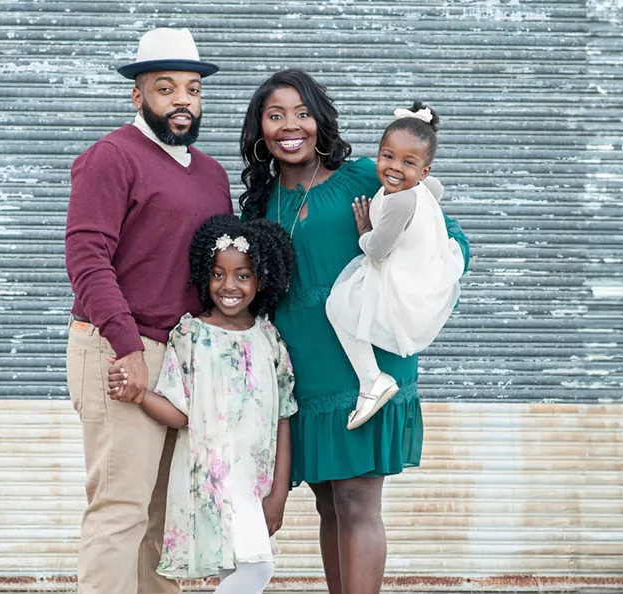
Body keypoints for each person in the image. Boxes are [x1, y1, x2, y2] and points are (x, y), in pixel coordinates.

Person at [238, 69, 471, 594]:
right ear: (261, 130)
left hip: (367, 364)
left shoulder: (366, 175)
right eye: (276, 116)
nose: (290, 126)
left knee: (356, 500)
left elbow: (450, 242)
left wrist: (410, 295)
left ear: (320, 121)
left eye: (302, 113)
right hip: (304, 368)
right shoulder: (260, 202)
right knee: (326, 500)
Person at [64, 28, 231, 594]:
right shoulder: (111, 157)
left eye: (192, 89)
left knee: (166, 517)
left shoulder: (211, 174)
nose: (182, 100)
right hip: (119, 348)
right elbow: (87, 259)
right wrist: (128, 347)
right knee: (121, 510)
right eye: (165, 88)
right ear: (139, 97)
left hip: (184, 357)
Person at [108, 215, 298, 594]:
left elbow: (283, 418)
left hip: (254, 484)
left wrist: (279, 492)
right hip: (211, 478)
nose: (229, 286)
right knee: (256, 570)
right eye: (218, 274)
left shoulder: (269, 338)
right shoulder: (189, 334)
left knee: (241, 571)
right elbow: (181, 415)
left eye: (242, 275)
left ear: (262, 277)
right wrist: (140, 393)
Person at [325, 101, 466, 430]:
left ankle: (372, 379)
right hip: (418, 274)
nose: (394, 168)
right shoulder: (422, 187)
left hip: (398, 281)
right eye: (387, 156)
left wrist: (364, 230)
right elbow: (438, 190)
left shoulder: (401, 201)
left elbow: (376, 250)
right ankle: (372, 380)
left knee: (338, 307)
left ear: (424, 171)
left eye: (408, 162)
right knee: (347, 308)